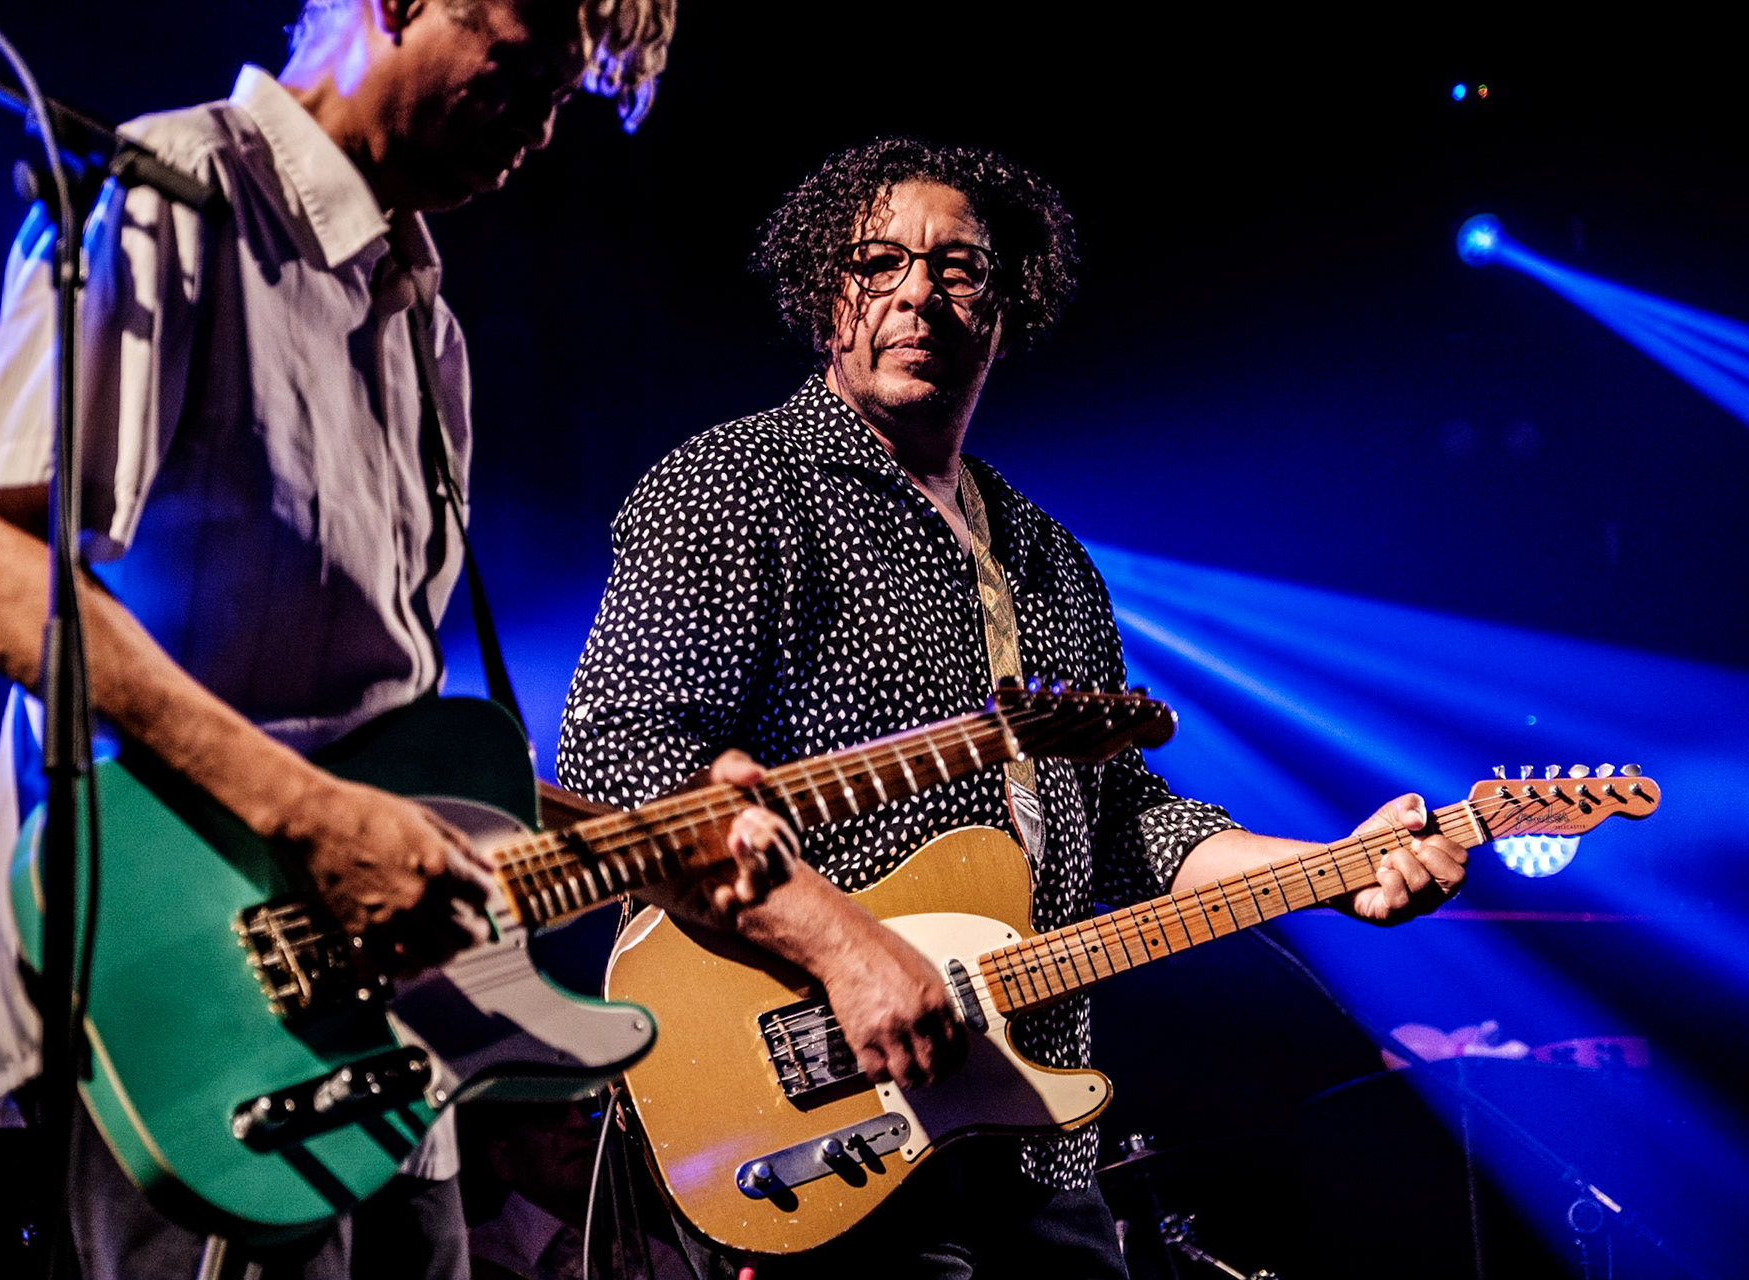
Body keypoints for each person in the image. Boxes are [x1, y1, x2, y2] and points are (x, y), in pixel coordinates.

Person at [0, 2, 795, 1275]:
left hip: (397, 1053)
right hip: (186, 1017)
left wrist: (650, 851)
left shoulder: (429, 325)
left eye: (565, 100)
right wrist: (316, 819)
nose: (542, 131)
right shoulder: (177, 191)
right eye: (518, 76)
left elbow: (398, 754)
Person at [555, 137, 1469, 1278]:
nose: (916, 294)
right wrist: (846, 953)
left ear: (1009, 299)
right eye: (876, 260)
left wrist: (1338, 863)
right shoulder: (736, 486)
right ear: (823, 292)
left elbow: (1128, 824)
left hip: (1037, 1140)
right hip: (823, 1120)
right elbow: (621, 760)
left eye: (960, 267)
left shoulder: (1050, 559)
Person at [467, 1098, 692, 1280]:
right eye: (551, 1113)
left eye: (587, 1110)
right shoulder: (474, 1263)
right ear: (502, 1158)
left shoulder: (659, 1258)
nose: (580, 1124)